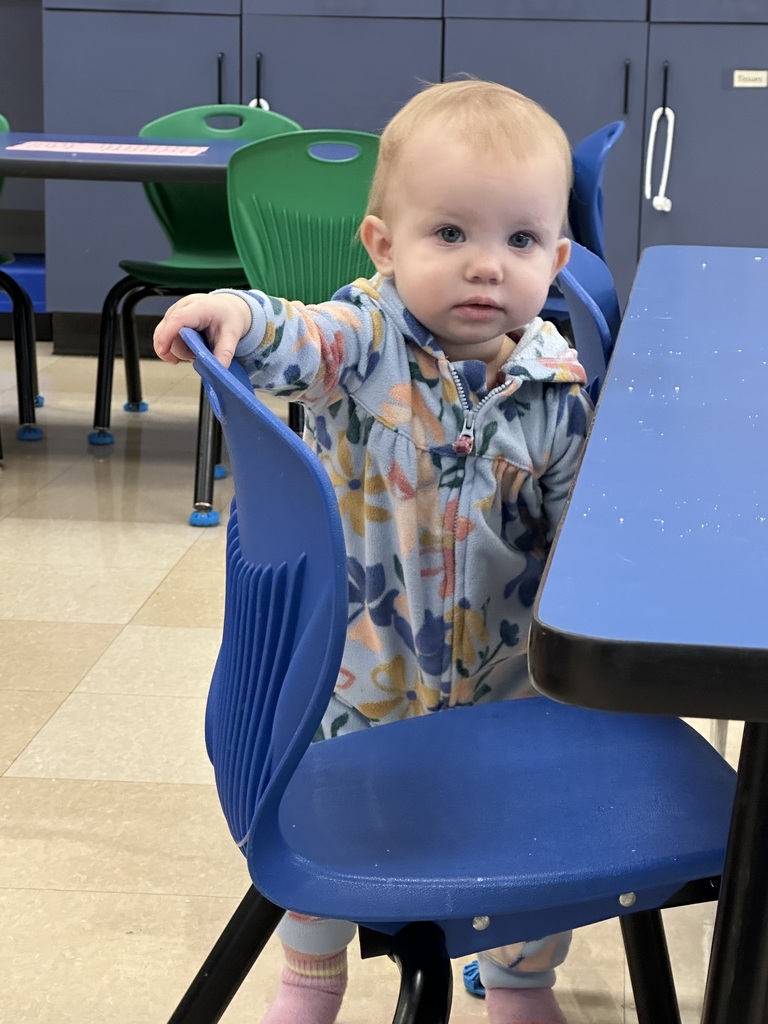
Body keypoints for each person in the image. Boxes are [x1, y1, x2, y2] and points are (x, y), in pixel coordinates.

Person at [154, 78, 593, 1024]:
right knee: (323, 824)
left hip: (501, 697)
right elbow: (297, 337)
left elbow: (583, 549)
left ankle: (518, 975)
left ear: (557, 258)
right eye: (450, 235)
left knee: (535, 825)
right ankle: (312, 971)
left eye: (519, 241)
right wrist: (237, 308)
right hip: (357, 686)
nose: (486, 267)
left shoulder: (556, 392)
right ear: (383, 248)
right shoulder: (361, 341)